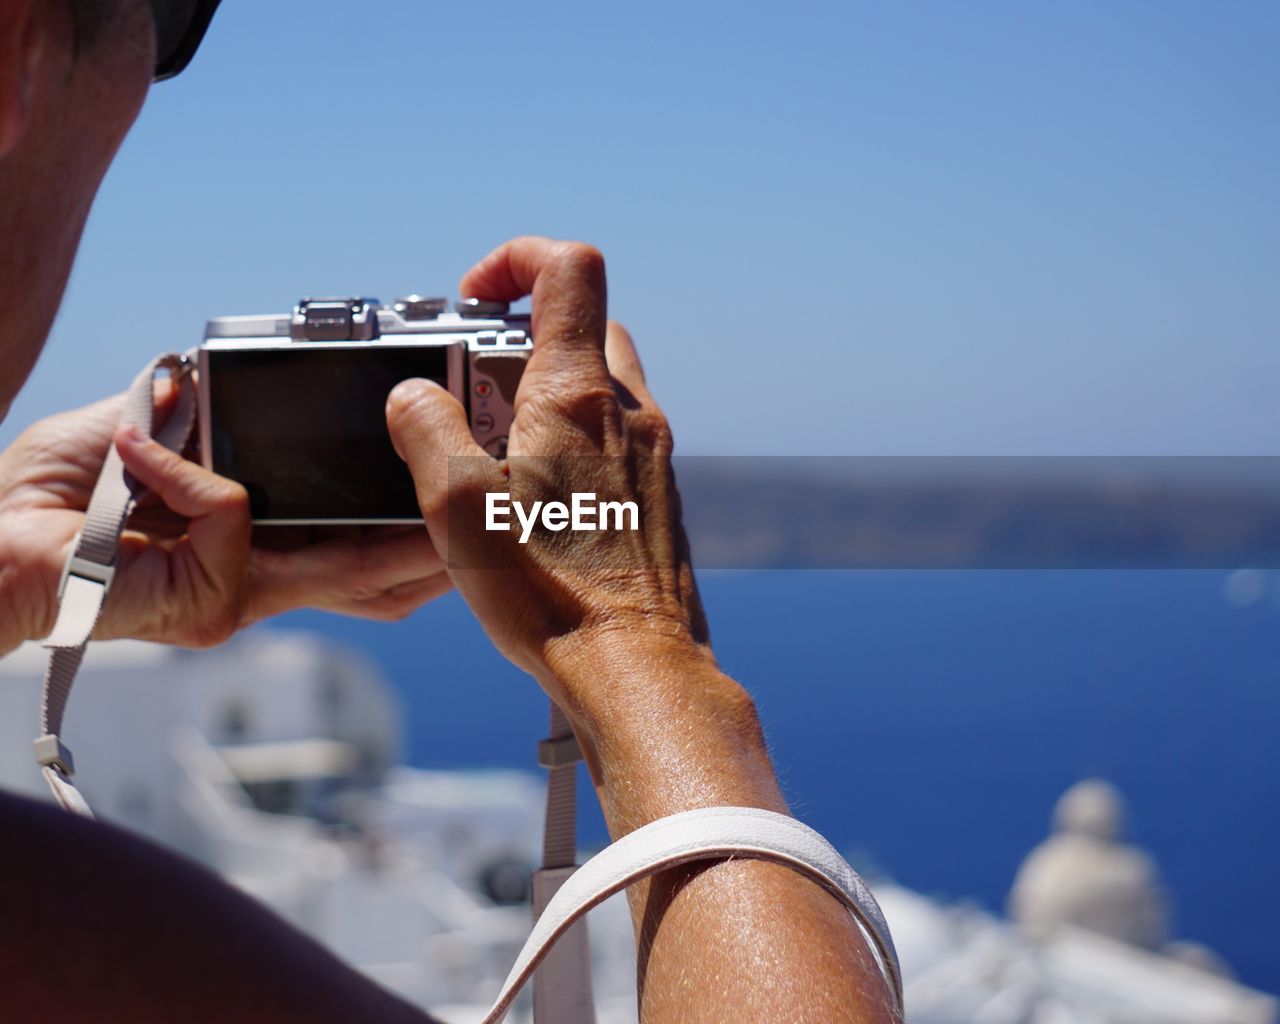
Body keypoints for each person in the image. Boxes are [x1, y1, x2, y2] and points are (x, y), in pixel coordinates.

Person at [0, 3, 899, 1021]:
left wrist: (21, 571)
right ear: (13, 51)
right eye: (170, 14)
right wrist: (634, 644)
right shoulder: (78, 939)